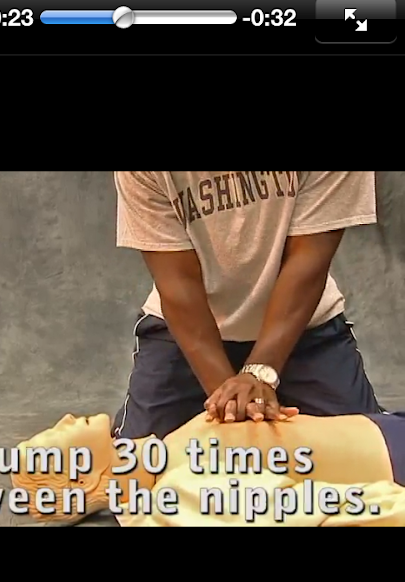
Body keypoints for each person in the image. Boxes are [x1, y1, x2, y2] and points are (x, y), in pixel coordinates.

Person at [112, 171, 382, 440]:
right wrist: (231, 402)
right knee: (138, 456)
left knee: (371, 450)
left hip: (303, 329)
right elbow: (178, 283)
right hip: (187, 333)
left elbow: (309, 260)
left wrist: (259, 374)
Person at [10, 410, 405, 527]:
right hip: (392, 451)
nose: (62, 420)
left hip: (381, 427)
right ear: (81, 477)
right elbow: (320, 510)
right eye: (49, 439)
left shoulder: (168, 456)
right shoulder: (182, 491)